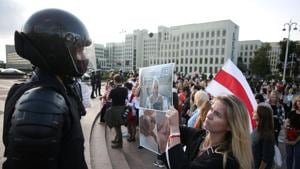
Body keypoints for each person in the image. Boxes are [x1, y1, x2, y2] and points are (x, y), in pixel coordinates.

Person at [2, 9, 91, 169]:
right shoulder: (42, 102)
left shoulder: (60, 87)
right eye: (79, 50)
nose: (83, 57)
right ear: (57, 51)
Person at [164, 95, 253, 169]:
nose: (209, 115)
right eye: (211, 109)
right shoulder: (201, 136)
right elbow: (170, 129)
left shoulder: (226, 160)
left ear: (230, 126)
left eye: (217, 114)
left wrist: (174, 129)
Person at [104, 74, 128, 149]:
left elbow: (108, 99)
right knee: (117, 126)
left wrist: (109, 92)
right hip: (122, 108)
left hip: (115, 109)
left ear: (115, 81)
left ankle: (120, 144)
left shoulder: (113, 90)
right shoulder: (125, 89)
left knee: (117, 127)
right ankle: (117, 139)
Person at [251, 103, 275, 169]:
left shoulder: (267, 134)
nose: (253, 112)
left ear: (262, 114)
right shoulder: (256, 129)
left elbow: (266, 159)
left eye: (255, 111)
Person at [284, 96, 300, 169]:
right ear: (296, 102)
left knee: (298, 157)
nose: (299, 103)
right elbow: (286, 124)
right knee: (289, 156)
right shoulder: (291, 113)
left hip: (299, 139)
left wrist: (296, 140)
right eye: (298, 101)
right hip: (289, 137)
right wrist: (285, 136)